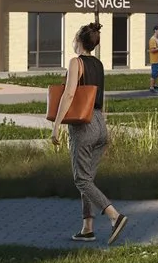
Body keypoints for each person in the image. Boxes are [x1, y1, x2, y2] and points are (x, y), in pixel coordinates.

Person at [54, 21, 127, 244]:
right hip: (99, 124)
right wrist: (101, 124)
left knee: (81, 179)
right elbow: (100, 97)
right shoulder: (99, 64)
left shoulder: (76, 62)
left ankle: (115, 216)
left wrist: (56, 125)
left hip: (82, 126)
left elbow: (68, 95)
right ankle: (87, 227)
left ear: (78, 40)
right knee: (89, 179)